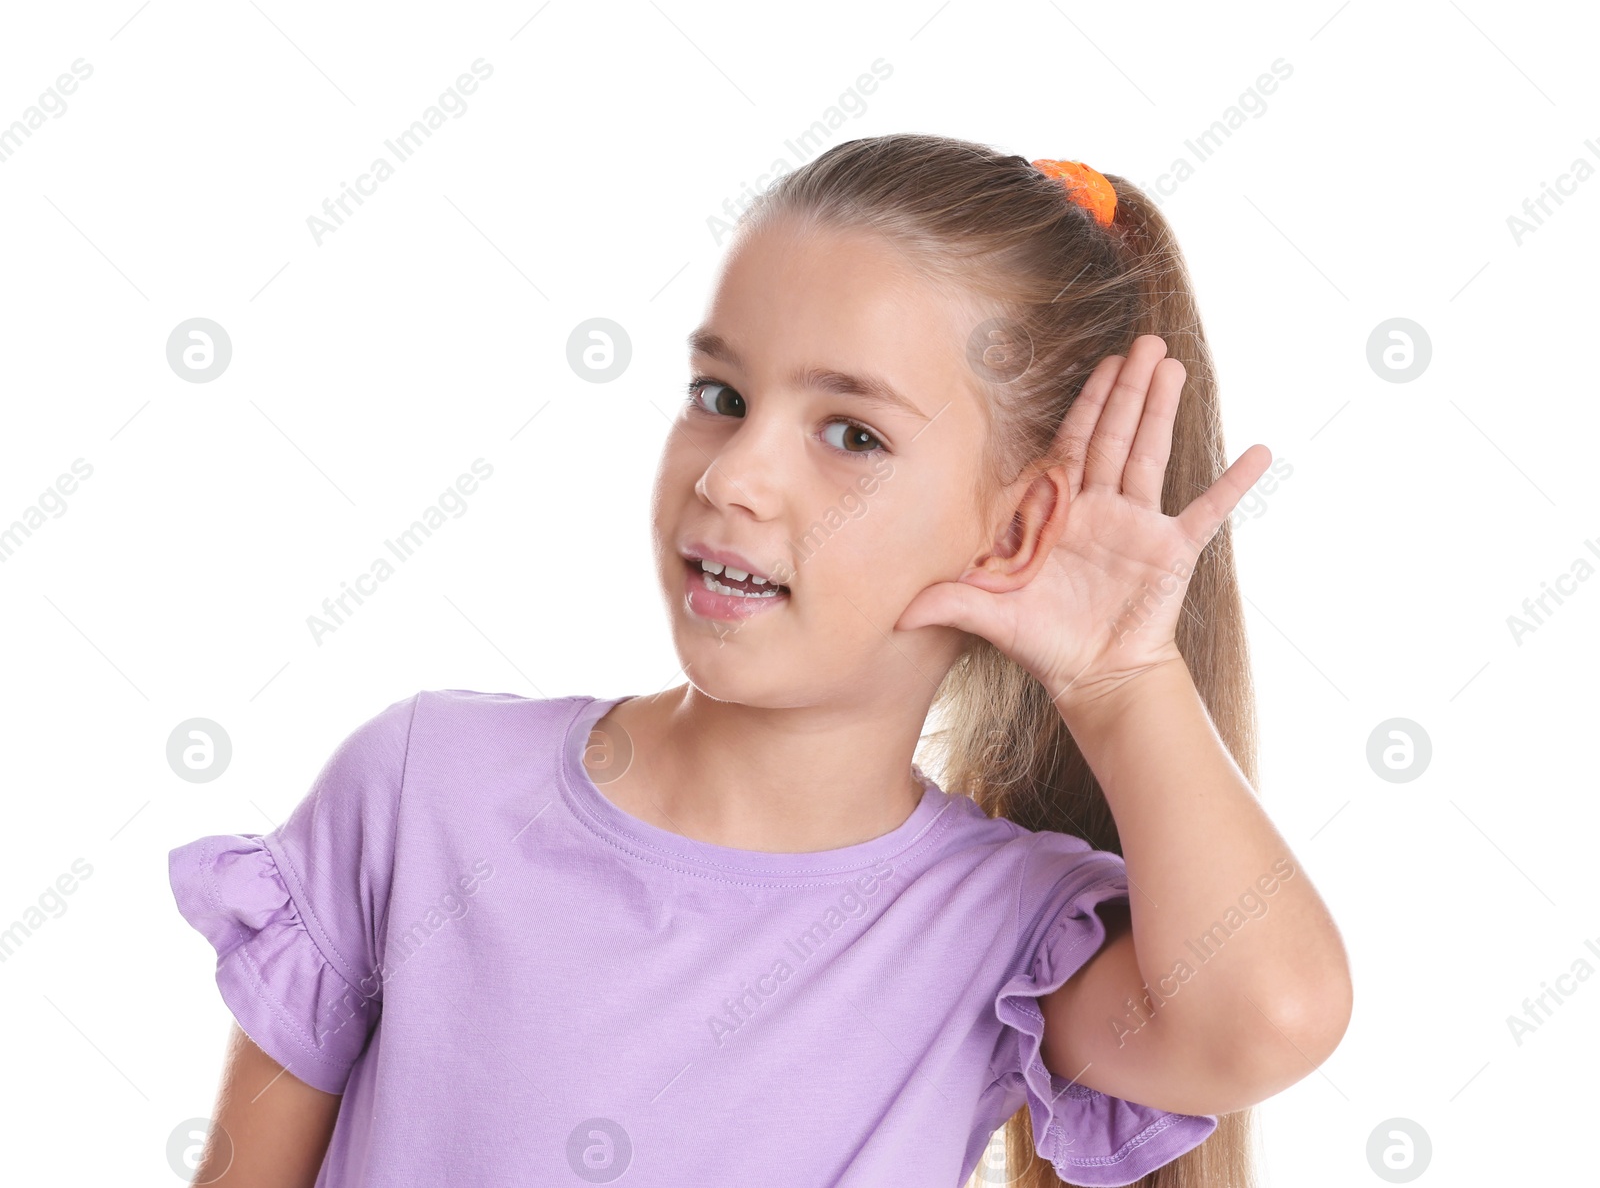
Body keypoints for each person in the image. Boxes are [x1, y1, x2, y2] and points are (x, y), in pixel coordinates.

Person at [168, 133, 1351, 1187]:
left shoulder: (994, 930)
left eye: (852, 432)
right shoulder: (423, 787)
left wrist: (1118, 681)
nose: (732, 475)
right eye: (720, 394)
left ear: (1017, 529)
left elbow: (1271, 1013)